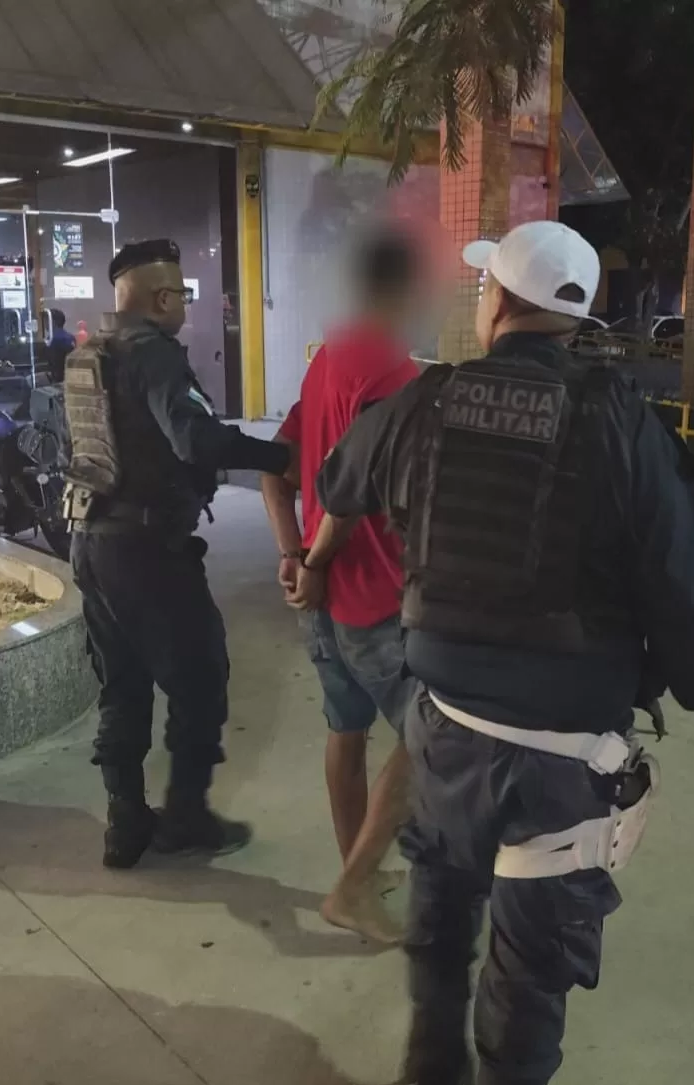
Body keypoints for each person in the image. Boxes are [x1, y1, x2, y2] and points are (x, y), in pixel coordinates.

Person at [312, 221, 694, 1085]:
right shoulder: (622, 424)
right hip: (565, 755)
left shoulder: (426, 401)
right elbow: (684, 592)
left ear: (499, 302)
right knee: (529, 956)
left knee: (441, 898)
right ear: (576, 319)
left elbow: (338, 479)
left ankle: (432, 1069)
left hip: (445, 733)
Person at [64, 239, 295, 870]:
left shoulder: (89, 353)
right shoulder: (154, 353)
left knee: (123, 682)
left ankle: (126, 822)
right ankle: (186, 817)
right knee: (200, 677)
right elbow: (196, 439)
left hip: (90, 540)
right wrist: (280, 457)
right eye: (184, 294)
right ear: (163, 298)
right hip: (147, 551)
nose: (186, 305)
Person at [261, 225, 424, 945]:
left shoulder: (327, 360)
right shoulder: (394, 372)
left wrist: (292, 554)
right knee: (434, 735)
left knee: (346, 730)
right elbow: (352, 495)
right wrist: (318, 560)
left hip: (319, 599)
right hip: (373, 597)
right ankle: (356, 885)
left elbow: (275, 465)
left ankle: (355, 869)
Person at [46, 308, 76, 382]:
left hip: (57, 379)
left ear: (53, 322)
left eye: (46, 320)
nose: (45, 323)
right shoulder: (70, 337)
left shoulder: (52, 339)